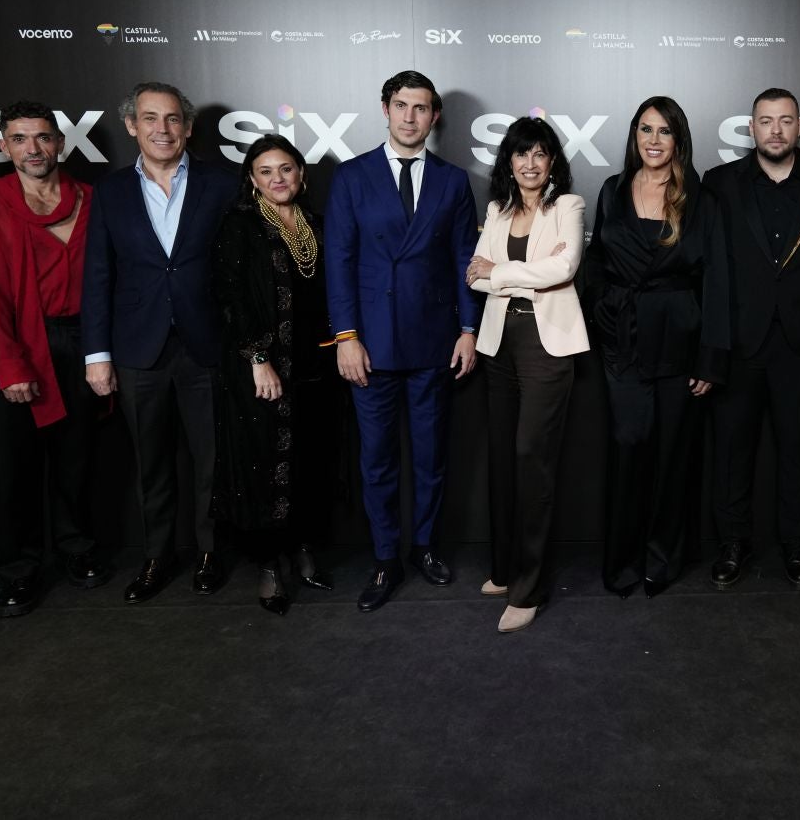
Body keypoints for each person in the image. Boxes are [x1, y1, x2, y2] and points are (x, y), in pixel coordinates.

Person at [325, 70, 482, 612]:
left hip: (434, 342)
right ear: (385, 110)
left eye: (421, 108)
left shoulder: (453, 181)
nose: (410, 117)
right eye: (401, 106)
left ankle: (425, 547)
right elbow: (339, 263)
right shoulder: (350, 177)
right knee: (377, 460)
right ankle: (386, 558)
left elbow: (465, 259)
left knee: (431, 456)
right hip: (369, 346)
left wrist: (469, 329)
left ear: (434, 116)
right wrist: (346, 336)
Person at [0, 101, 108, 618]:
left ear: (60, 143)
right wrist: (10, 364)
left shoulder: (90, 197)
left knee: (79, 454)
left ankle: (77, 550)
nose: (33, 149)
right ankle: (19, 569)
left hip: (84, 340)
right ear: (3, 146)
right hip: (19, 344)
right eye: (20, 139)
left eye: (42, 138)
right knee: (16, 464)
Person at [82, 81, 235, 603]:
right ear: (132, 126)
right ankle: (157, 555)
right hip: (136, 350)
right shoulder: (110, 192)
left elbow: (238, 272)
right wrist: (97, 355)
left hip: (207, 345)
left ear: (188, 127)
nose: (162, 129)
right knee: (151, 462)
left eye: (172, 119)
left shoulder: (223, 185)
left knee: (213, 460)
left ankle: (212, 551)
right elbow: (97, 275)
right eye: (150, 119)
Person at [702, 88, 800, 589]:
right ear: (751, 126)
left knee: (798, 451)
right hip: (741, 340)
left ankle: (796, 543)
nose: (776, 130)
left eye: (785, 120)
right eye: (766, 121)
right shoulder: (719, 183)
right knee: (732, 451)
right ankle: (732, 543)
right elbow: (712, 272)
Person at [583, 95, 730, 597]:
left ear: (678, 140)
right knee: (628, 450)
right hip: (622, 339)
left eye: (663, 131)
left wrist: (711, 357)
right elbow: (597, 259)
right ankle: (621, 559)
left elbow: (718, 281)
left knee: (671, 457)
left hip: (680, 342)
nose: (652, 140)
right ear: (634, 136)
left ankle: (661, 558)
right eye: (645, 129)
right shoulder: (612, 190)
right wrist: (602, 305)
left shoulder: (701, 199)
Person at [211, 135, 341, 616]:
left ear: (301, 175)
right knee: (265, 466)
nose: (277, 179)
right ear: (252, 180)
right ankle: (269, 566)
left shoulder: (319, 225)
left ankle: (304, 547)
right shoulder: (240, 226)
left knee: (311, 459)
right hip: (264, 368)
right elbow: (230, 296)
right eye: (266, 171)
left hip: (317, 365)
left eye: (285, 169)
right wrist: (256, 358)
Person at [466, 117, 587, 632]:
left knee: (530, 457)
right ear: (509, 162)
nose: (530, 163)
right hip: (499, 345)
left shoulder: (568, 209)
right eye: (521, 154)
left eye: (540, 153)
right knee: (501, 460)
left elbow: (565, 269)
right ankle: (506, 569)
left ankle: (530, 587)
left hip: (547, 347)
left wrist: (500, 274)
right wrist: (505, 276)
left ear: (552, 161)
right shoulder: (496, 210)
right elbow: (473, 273)